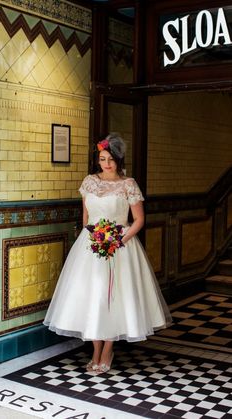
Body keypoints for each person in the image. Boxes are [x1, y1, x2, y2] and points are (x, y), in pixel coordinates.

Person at [44, 133, 172, 374]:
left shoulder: (128, 184)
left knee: (114, 297)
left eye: (111, 159)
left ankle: (107, 350)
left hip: (120, 246)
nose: (106, 164)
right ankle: (95, 348)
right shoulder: (89, 182)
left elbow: (139, 220)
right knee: (91, 296)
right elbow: (85, 217)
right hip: (90, 245)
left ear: (119, 160)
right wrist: (94, 237)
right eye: (102, 159)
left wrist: (118, 240)